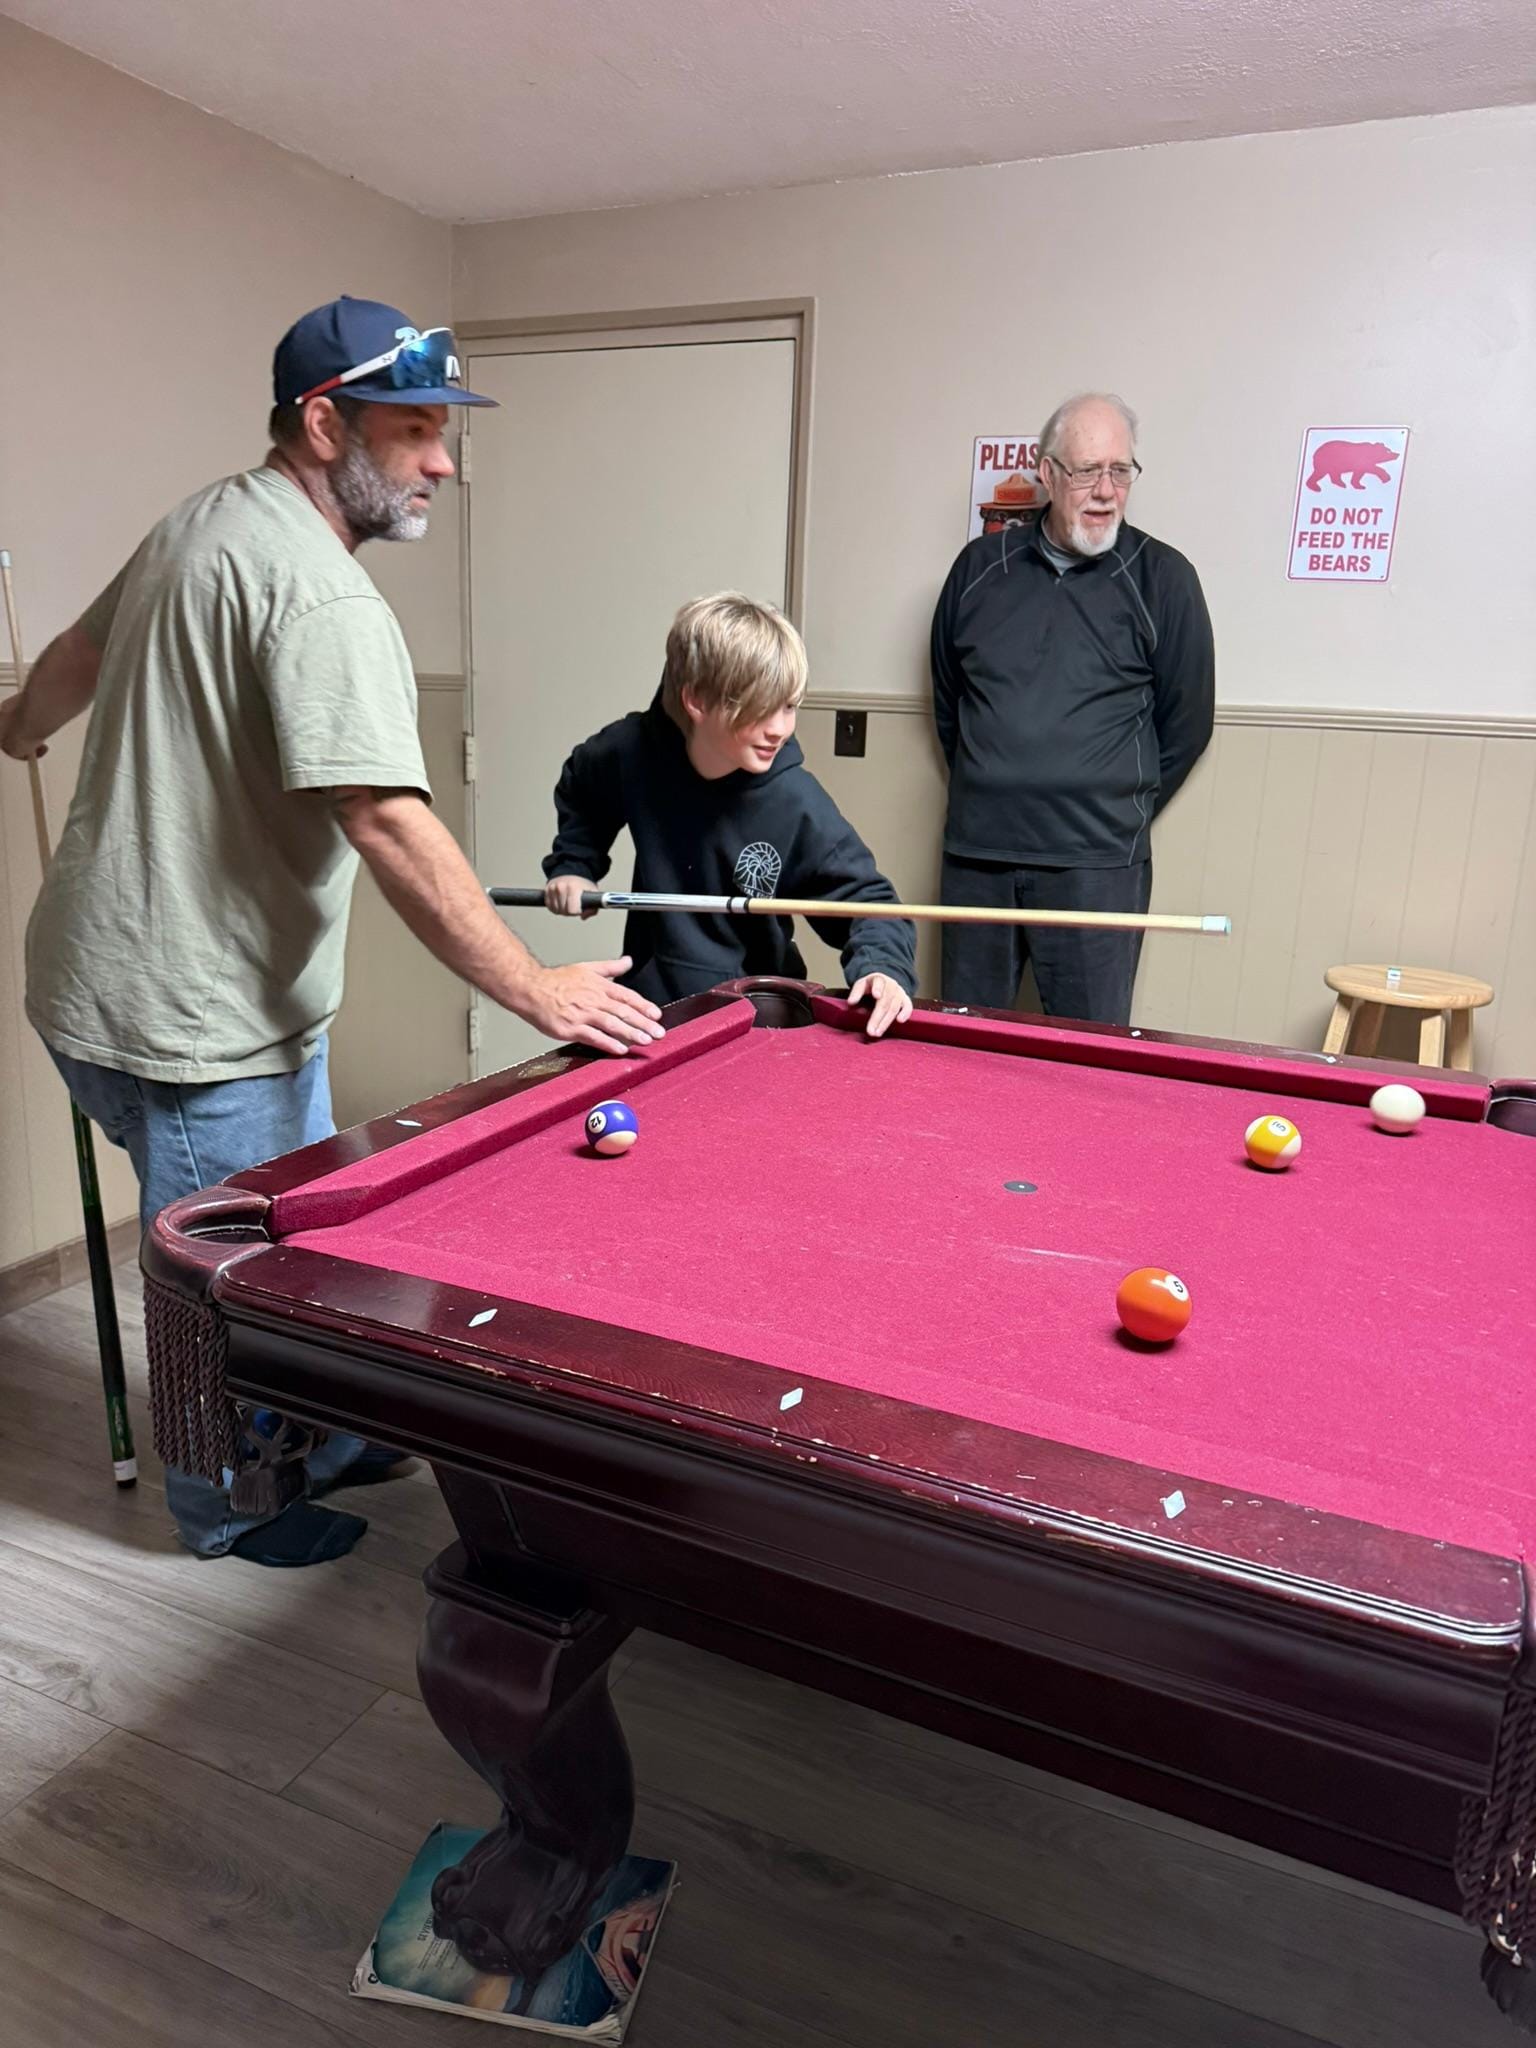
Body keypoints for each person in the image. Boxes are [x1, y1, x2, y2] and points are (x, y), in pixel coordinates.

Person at [0, 296, 663, 1568]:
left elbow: (77, 653)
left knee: (308, 1244)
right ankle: (228, 1501)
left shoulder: (201, 519)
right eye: (417, 430)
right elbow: (386, 819)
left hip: (122, 975)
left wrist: (18, 723)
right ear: (322, 422)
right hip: (190, 1019)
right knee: (222, 1285)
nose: (442, 463)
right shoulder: (324, 599)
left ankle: (327, 1425)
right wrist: (537, 988)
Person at [931, 393, 1214, 1026]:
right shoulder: (979, 569)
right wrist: (998, 780)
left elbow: (1187, 725)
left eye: (1121, 471)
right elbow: (949, 702)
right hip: (979, 860)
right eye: (1088, 471)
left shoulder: (1164, 579)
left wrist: (1111, 804)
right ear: (1049, 473)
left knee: (1090, 1060)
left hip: (1097, 868)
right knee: (962, 1050)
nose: (1106, 490)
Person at [544, 592, 916, 1036]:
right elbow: (584, 787)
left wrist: (882, 968)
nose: (779, 728)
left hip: (759, 1020)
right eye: (760, 708)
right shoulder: (632, 752)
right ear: (697, 701)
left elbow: (870, 905)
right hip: (655, 1013)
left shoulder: (794, 800)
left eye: (790, 705)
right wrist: (575, 864)